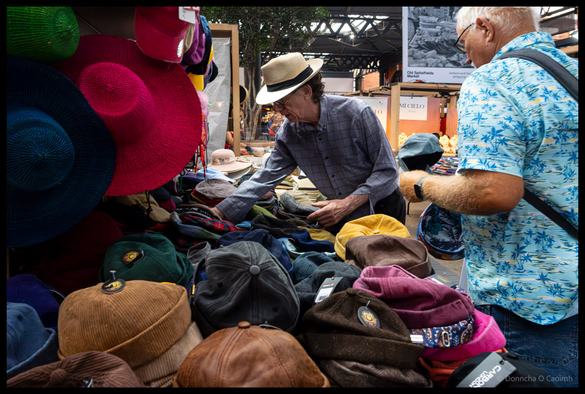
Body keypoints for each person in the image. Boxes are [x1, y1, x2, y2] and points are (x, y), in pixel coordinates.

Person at [399, 7, 578, 387]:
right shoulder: (571, 73)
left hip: (530, 298)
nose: (465, 56)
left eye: (463, 42)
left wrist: (420, 184)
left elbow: (492, 191)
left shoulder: (495, 80)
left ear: (484, 27)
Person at [210, 52, 405, 234]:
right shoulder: (289, 133)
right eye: (273, 103)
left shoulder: (356, 114)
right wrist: (220, 212)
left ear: (306, 91)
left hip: (382, 207)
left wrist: (346, 204)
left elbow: (387, 171)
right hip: (338, 213)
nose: (277, 109)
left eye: (281, 101)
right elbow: (264, 178)